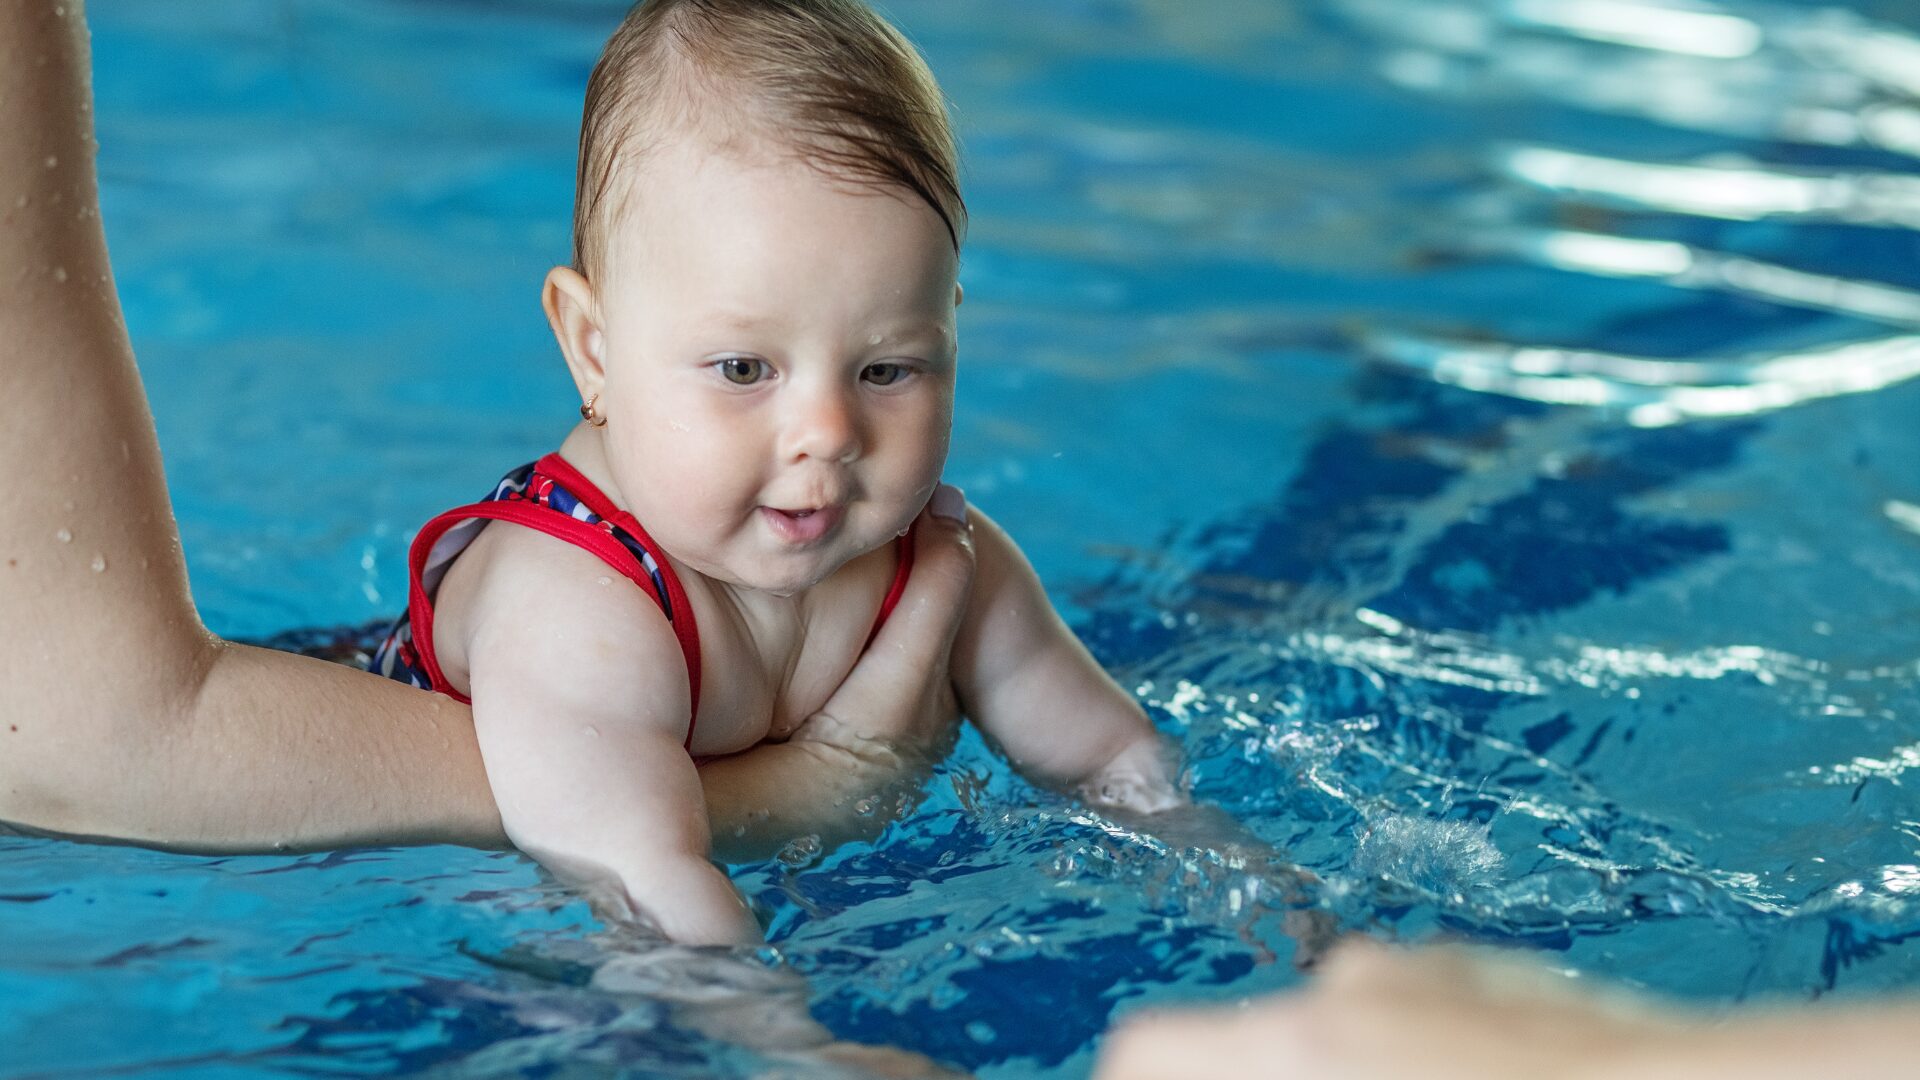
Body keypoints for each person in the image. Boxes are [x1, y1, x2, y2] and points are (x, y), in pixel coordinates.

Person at [354, 0, 1190, 947]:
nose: (830, 433)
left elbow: (1112, 757)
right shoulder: (577, 607)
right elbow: (643, 896)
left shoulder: (939, 558)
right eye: (744, 369)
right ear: (594, 350)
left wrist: (1258, 894)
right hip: (469, 924)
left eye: (888, 370)